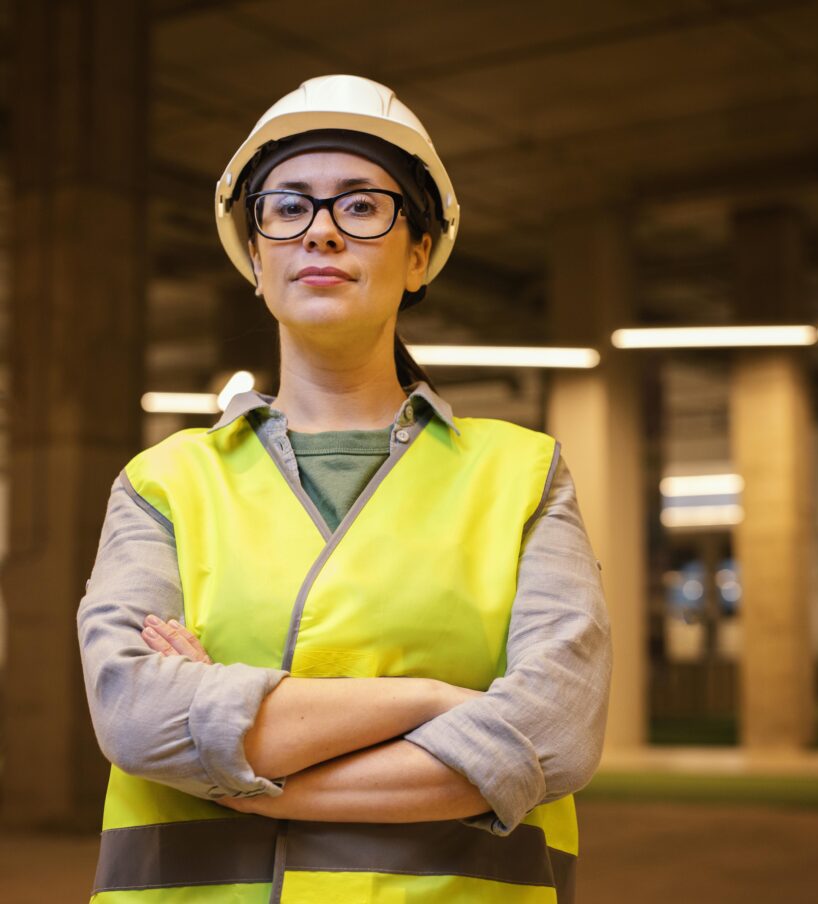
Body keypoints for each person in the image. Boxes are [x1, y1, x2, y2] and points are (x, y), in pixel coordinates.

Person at [77, 74, 612, 904]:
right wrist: (434, 699)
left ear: (420, 253)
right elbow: (138, 718)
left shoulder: (525, 475)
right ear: (255, 257)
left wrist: (233, 764)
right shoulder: (164, 482)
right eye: (287, 208)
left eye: (362, 207)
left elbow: (555, 734)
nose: (320, 233)